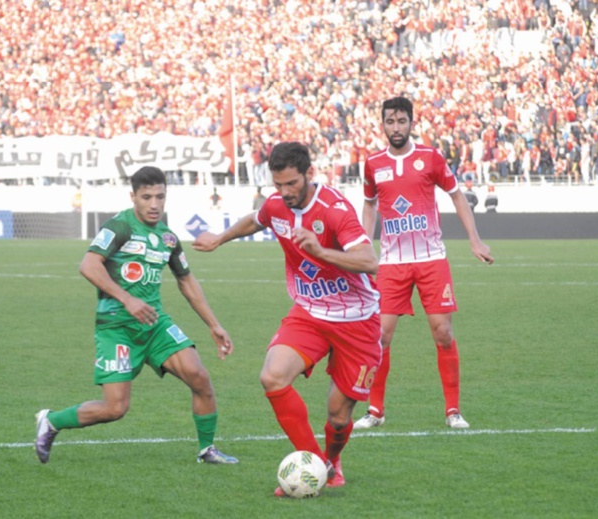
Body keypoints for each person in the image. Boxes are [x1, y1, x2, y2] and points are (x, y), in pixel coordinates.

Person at [191, 142, 381, 495]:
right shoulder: (277, 204)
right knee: (272, 377)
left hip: (356, 320)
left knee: (338, 417)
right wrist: (220, 238)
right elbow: (256, 219)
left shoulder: (335, 209)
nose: (285, 192)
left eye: (292, 183)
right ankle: (314, 465)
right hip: (309, 312)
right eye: (278, 185)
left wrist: (322, 251)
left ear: (309, 174)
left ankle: (332, 459)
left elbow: (370, 261)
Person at [34, 166, 238, 465]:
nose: (154, 204)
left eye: (160, 197)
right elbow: (89, 265)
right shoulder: (119, 227)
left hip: (154, 326)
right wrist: (127, 299)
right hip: (116, 327)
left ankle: (207, 449)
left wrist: (214, 324)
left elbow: (186, 280)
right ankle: (51, 420)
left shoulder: (168, 238)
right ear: (133, 196)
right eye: (147, 197)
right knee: (115, 408)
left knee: (200, 376)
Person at [355, 96, 493, 431]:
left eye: (402, 121)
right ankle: (375, 410)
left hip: (431, 259)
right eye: (390, 121)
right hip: (391, 263)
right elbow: (370, 205)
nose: (396, 127)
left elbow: (456, 194)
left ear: (411, 123)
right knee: (380, 336)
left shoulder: (429, 157)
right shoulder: (373, 163)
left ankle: (453, 410)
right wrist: (363, 246)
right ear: (383, 124)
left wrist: (474, 239)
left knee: (443, 333)